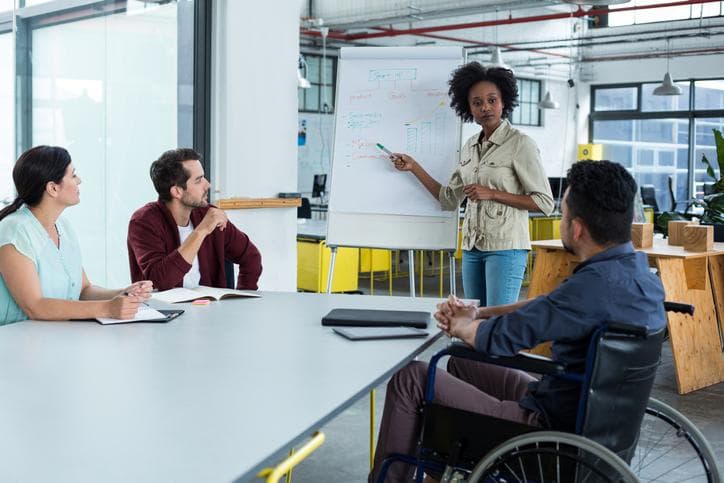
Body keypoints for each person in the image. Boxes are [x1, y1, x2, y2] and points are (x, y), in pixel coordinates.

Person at [369, 161, 666, 483]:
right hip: (588, 416)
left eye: (563, 216)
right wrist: (479, 313)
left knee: (412, 377)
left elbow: (496, 339)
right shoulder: (639, 275)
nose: (561, 223)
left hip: (547, 432)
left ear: (577, 228)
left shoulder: (591, 287)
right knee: (461, 362)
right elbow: (549, 305)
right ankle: (436, 475)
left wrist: (461, 325)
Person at [390, 62, 554, 307]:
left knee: (497, 320)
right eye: (477, 103)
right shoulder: (469, 146)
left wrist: (492, 194)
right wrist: (414, 167)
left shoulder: (521, 144)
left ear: (504, 102)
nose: (485, 107)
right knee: (474, 319)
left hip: (506, 248)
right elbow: (448, 199)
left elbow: (545, 204)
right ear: (469, 108)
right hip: (471, 248)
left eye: (492, 100)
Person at [0, 146, 153, 325]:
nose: (79, 180)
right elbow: (35, 306)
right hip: (16, 341)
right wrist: (107, 308)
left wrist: (123, 293)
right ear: (53, 188)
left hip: (57, 336)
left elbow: (83, 290)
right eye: (73, 175)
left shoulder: (63, 227)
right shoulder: (15, 231)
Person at [127, 148, 262, 291]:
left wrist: (242, 301)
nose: (207, 184)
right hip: (165, 311)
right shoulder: (143, 222)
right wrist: (201, 231)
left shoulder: (208, 215)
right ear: (177, 191)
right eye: (198, 180)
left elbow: (251, 257)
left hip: (211, 311)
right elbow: (159, 282)